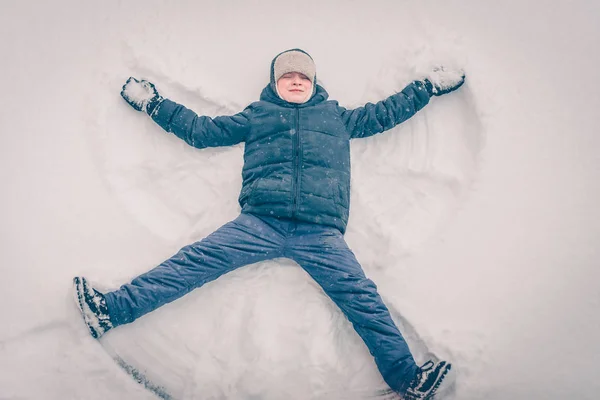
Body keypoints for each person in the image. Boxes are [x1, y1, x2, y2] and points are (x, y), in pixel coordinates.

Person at [73, 48, 465, 399]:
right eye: (287, 76)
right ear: (275, 84)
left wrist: (425, 88)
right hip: (260, 223)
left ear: (314, 84)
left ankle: (407, 378)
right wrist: (154, 104)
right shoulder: (258, 116)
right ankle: (111, 310)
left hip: (320, 232)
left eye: (302, 77)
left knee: (361, 297)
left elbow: (385, 113)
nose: (295, 81)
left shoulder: (337, 117)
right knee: (192, 262)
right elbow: (202, 131)